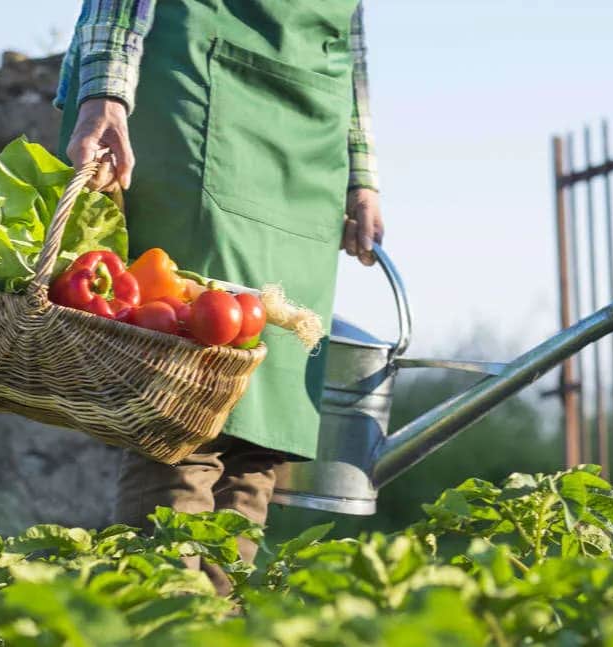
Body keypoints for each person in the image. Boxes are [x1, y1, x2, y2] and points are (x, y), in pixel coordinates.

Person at [54, 0, 383, 595]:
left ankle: (222, 622)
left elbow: (351, 26)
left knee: (262, 435)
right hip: (198, 83)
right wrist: (104, 93)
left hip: (312, 127)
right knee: (184, 408)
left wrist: (361, 170)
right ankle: (165, 618)